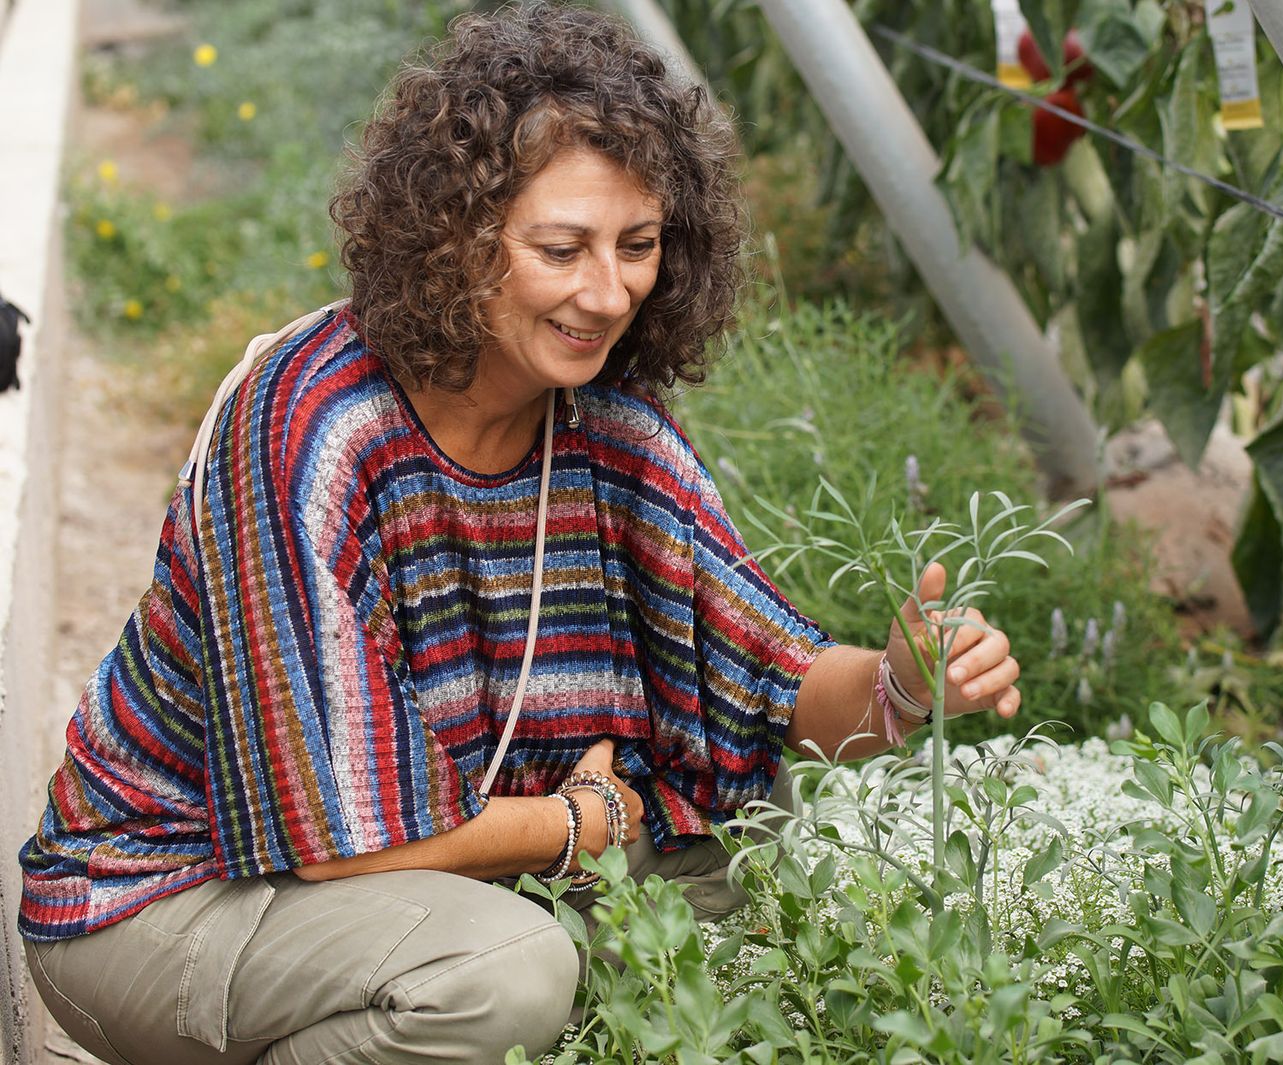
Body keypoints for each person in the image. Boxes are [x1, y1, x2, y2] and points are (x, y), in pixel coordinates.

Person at [17, 4, 1023, 1062]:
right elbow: (334, 843)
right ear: (455, 238)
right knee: (505, 974)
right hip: (172, 896)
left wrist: (906, 683)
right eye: (561, 248)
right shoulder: (312, 425)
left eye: (637, 247)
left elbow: (776, 684)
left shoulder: (611, 432)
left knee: (750, 831)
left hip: (422, 872)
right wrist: (579, 822)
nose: (607, 293)